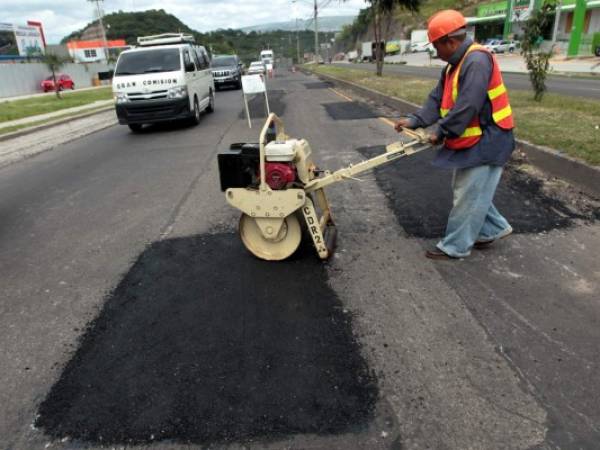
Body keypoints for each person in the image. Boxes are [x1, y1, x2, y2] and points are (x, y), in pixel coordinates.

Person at [395, 10, 515, 260]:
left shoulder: (477, 61)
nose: (434, 52)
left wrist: (440, 131)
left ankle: (455, 247)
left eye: (436, 46)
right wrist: (416, 120)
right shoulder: (454, 66)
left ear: (450, 41)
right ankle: (493, 228)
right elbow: (437, 98)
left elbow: (468, 104)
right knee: (471, 189)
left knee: (468, 191)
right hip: (478, 138)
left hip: (490, 138)